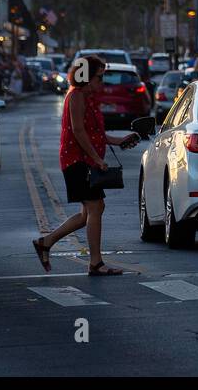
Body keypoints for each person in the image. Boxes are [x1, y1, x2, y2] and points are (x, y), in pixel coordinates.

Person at [32, 55, 138, 276]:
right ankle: (96, 263)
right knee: (95, 207)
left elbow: (94, 133)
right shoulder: (77, 95)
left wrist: (118, 140)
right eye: (99, 77)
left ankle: (46, 242)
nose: (102, 82)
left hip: (85, 160)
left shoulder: (89, 98)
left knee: (87, 213)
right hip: (77, 161)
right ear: (85, 76)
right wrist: (98, 160)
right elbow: (78, 131)